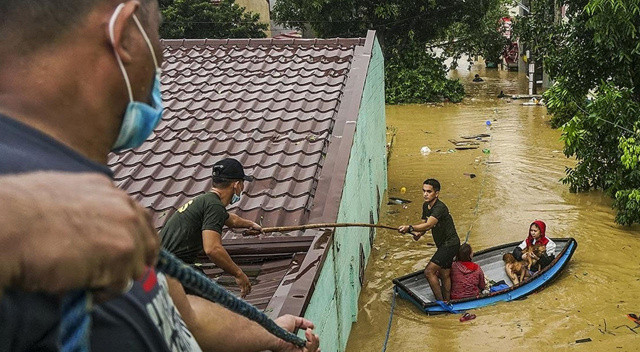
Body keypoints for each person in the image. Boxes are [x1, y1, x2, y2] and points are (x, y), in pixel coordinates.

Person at [0, 0, 318, 351]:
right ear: (124, 36)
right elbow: (213, 244)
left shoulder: (95, 201)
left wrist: (271, 333)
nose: (160, 68)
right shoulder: (18, 214)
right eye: (158, 47)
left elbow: (186, 318)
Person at [160, 158, 262, 298]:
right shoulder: (214, 207)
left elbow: (230, 219)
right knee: (216, 305)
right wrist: (239, 274)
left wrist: (250, 224)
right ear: (237, 185)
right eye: (243, 183)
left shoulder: (206, 200)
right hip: (172, 270)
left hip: (161, 267)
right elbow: (212, 249)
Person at [398, 179, 461, 301]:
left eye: (429, 191)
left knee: (428, 272)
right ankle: (447, 300)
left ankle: (440, 302)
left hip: (450, 244)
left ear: (436, 193)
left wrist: (409, 227)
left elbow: (429, 224)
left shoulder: (440, 207)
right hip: (443, 244)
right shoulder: (425, 206)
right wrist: (417, 234)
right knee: (444, 274)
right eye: (424, 191)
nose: (425, 194)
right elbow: (423, 226)